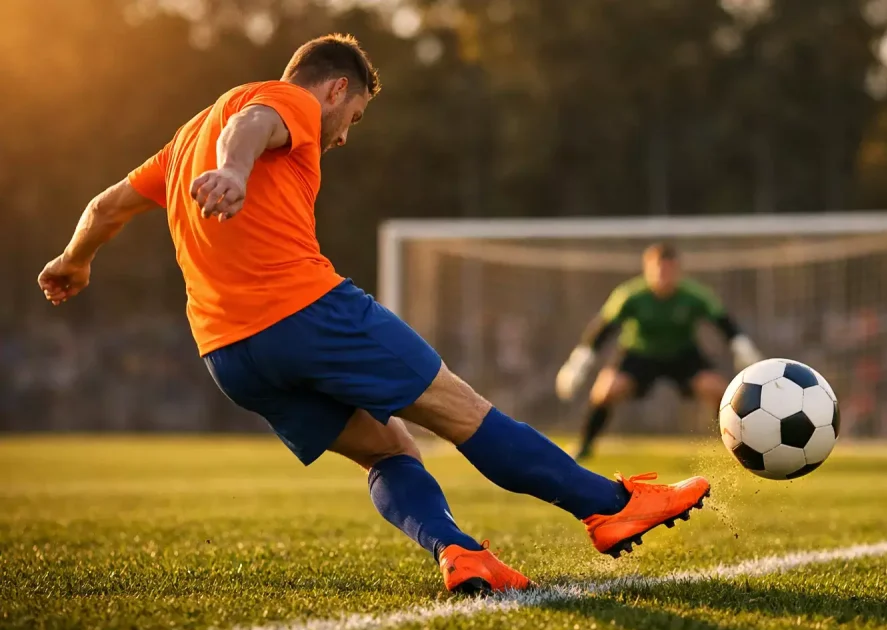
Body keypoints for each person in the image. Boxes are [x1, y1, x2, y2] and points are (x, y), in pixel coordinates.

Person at [37, 34, 710, 595]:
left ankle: (458, 553)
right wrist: (235, 173)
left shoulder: (184, 139)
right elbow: (251, 128)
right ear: (336, 90)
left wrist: (74, 260)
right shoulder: (286, 100)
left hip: (230, 356)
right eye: (352, 117)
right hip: (306, 313)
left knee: (389, 449)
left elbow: (106, 207)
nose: (343, 136)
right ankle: (611, 507)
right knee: (462, 410)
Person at [556, 243, 763, 461]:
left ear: (677, 271)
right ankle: (585, 445)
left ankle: (735, 446)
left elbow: (724, 323)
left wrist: (743, 348)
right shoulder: (631, 295)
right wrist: (577, 363)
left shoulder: (693, 295)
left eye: (669, 270)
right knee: (605, 391)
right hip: (639, 354)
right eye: (659, 270)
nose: (664, 276)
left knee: (719, 391)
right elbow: (604, 329)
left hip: (682, 355)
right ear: (647, 270)